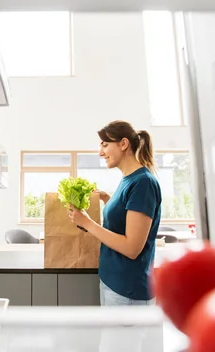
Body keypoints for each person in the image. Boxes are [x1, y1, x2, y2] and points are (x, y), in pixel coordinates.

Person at [67, 120, 162, 306]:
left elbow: (131, 248)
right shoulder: (128, 180)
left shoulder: (143, 183)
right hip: (114, 283)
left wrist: (86, 223)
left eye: (105, 145)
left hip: (128, 290)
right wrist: (107, 199)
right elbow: (126, 220)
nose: (100, 152)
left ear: (124, 144)